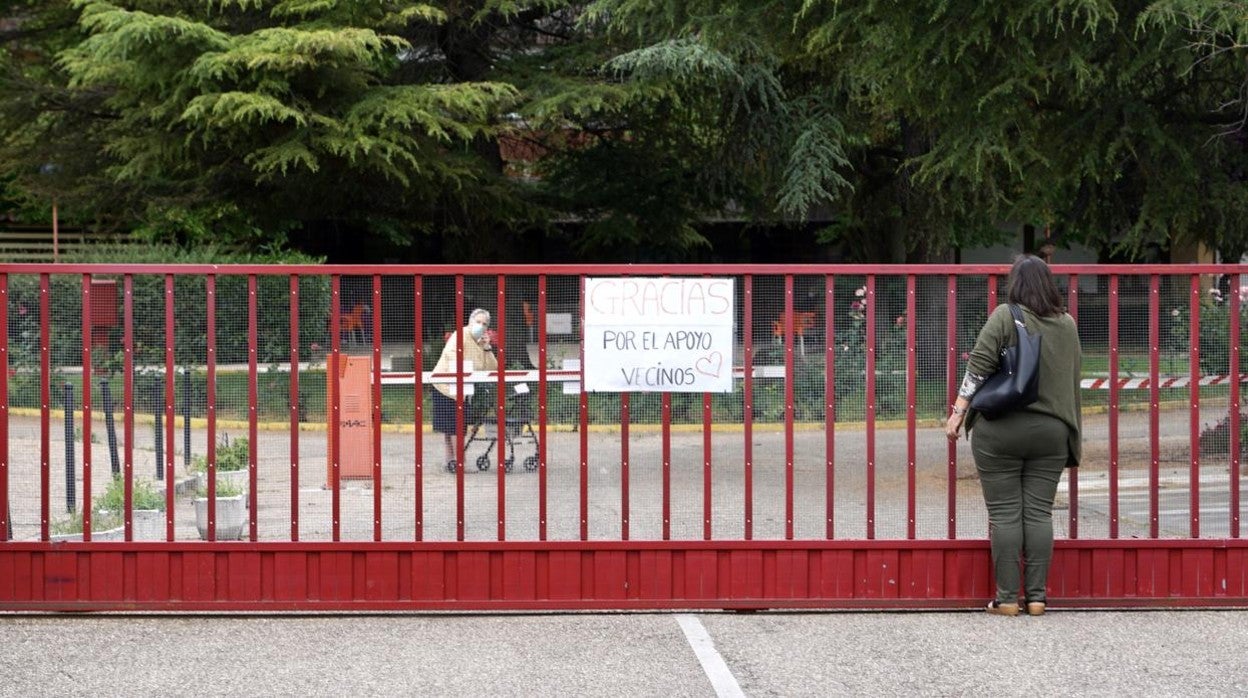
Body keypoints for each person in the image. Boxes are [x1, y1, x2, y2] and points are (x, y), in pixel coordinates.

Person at [944, 255, 1082, 617]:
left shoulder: (1006, 315)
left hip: (1001, 431)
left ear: (1016, 285)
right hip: (1052, 431)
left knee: (1006, 514)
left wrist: (958, 414)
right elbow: (1071, 381)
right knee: (1038, 513)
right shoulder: (1067, 324)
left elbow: (977, 370)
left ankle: (1006, 599)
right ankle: (1036, 598)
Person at [431, 308, 498, 469]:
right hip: (446, 386)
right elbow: (452, 354)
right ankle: (459, 462)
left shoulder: (481, 342)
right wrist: (465, 369)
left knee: (454, 427)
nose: (481, 326)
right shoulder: (460, 335)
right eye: (478, 322)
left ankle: (451, 461)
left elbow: (492, 367)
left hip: (463, 388)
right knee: (454, 428)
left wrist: (487, 348)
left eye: (484, 324)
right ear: (470, 322)